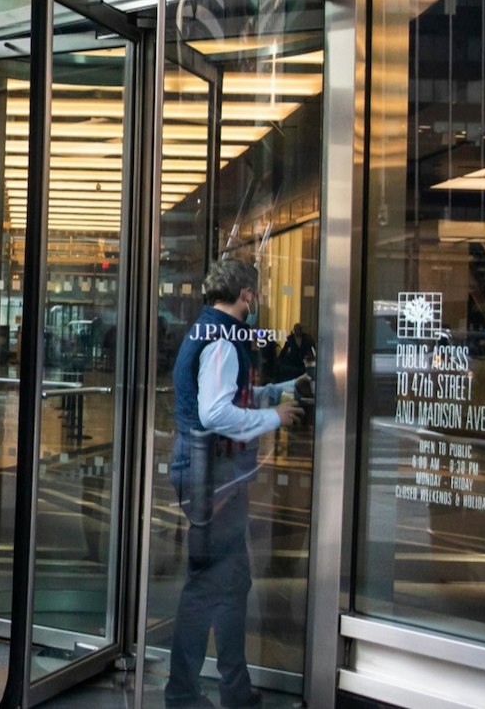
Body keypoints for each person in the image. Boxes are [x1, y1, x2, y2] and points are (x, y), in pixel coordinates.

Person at [166, 258, 309, 709]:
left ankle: (233, 691)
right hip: (213, 479)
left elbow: (228, 397)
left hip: (212, 476)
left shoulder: (210, 332)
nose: (260, 298)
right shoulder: (223, 341)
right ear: (246, 294)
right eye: (258, 291)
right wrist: (274, 417)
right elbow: (216, 412)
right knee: (208, 587)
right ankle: (185, 694)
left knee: (229, 585)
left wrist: (285, 388)